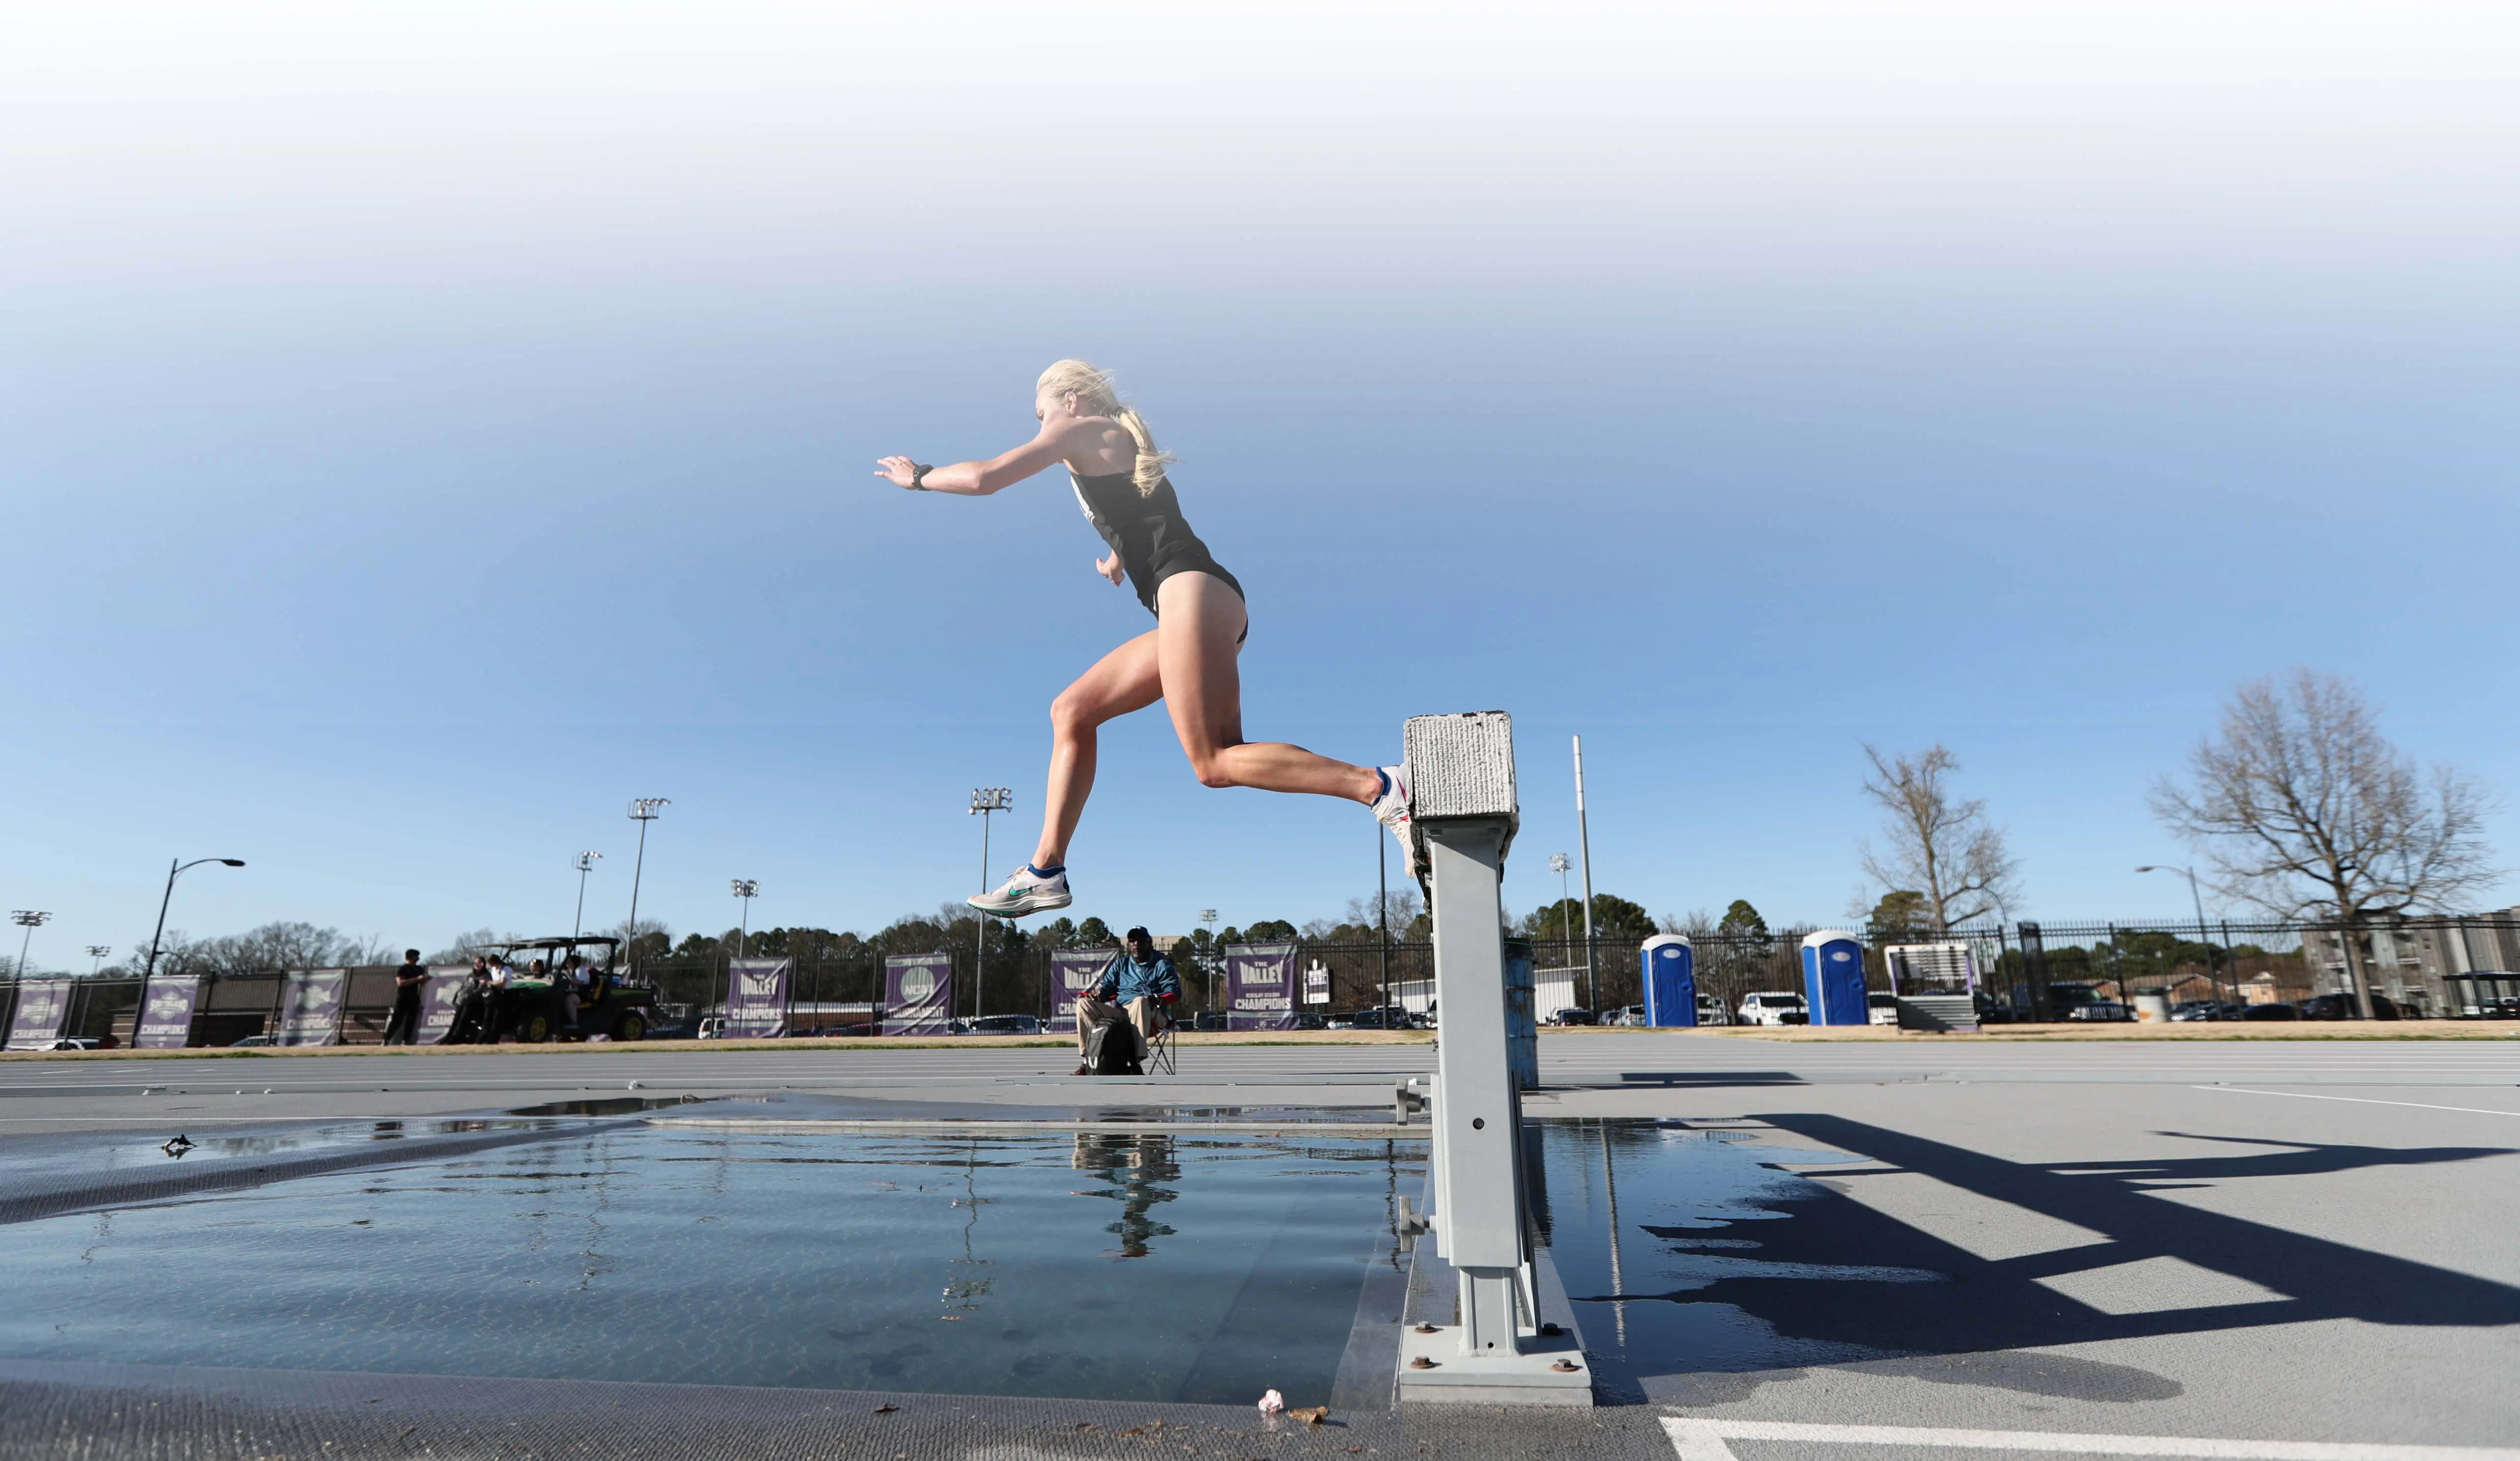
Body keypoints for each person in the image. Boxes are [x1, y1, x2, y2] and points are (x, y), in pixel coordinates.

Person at [876, 361, 1413, 918]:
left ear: (1073, 398)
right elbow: (1146, 517)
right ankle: (1046, 870)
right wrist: (1117, 558)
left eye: (1042, 413)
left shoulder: (1079, 430)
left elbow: (984, 477)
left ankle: (1378, 788)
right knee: (1074, 710)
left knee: (1212, 762)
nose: (1042, 426)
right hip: (1196, 599)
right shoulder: (1114, 442)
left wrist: (918, 476)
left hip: (1189, 593)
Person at [1073, 927, 1180, 1076]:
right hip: (1123, 1013)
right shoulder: (1121, 965)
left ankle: (1136, 1062)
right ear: (1129, 945)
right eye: (1132, 941)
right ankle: (1090, 1059)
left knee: (1140, 1001)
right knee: (1083, 1004)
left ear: (1149, 943)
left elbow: (1175, 993)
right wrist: (1097, 995)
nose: (1136, 944)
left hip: (1153, 1014)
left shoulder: (1162, 964)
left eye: (1140, 941)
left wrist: (1157, 998)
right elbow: (1107, 988)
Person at [382, 949, 427, 1046]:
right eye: (415, 959)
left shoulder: (419, 969)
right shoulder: (403, 969)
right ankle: (386, 1039)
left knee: (411, 1020)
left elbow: (422, 983)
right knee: (397, 1020)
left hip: (414, 997)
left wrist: (425, 979)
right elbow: (401, 983)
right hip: (403, 997)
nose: (417, 961)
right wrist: (416, 980)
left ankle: (407, 1040)